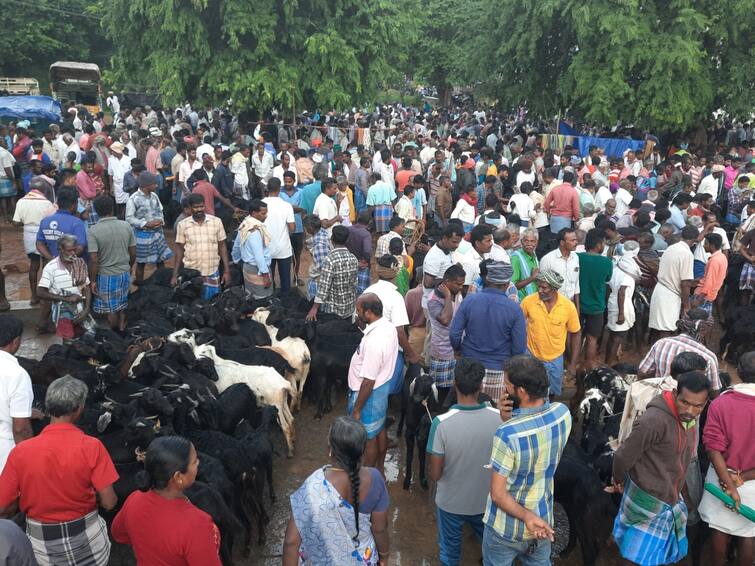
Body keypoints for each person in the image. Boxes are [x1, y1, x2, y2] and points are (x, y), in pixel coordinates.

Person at [0, 375, 118, 566]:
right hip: (90, 545)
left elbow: (3, 507)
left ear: (48, 406)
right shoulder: (92, 446)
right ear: (79, 409)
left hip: (42, 548)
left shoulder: (21, 452)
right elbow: (110, 502)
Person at [611, 371, 711, 566]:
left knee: (652, 553)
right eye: (685, 402)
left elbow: (680, 461)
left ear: (705, 403)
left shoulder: (688, 420)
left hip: (669, 498)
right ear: (674, 394)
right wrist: (618, 480)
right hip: (647, 498)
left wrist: (682, 493)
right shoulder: (653, 421)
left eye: (697, 406)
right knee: (635, 556)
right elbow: (623, 456)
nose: (690, 410)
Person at [482, 355, 572, 566]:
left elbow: (498, 494)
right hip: (542, 521)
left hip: (505, 529)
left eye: (507, 385)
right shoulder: (562, 414)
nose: (505, 390)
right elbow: (536, 436)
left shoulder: (507, 434)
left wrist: (526, 517)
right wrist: (512, 419)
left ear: (520, 391)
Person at [283, 416, 390, 566]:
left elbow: (291, 542)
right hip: (364, 558)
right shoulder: (376, 479)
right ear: (362, 450)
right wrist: (384, 557)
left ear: (330, 449)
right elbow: (380, 529)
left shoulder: (313, 486)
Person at [427, 357, 502, 566]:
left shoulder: (440, 424)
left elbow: (435, 475)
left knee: (450, 555)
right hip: (487, 502)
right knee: (492, 553)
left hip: (451, 503)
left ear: (455, 383)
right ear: (481, 386)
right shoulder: (499, 419)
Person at [112, 436, 222, 565]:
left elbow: (118, 533)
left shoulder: (135, 498)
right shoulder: (197, 524)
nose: (198, 463)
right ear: (178, 477)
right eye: (194, 461)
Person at [698, 352, 755, 566]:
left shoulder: (721, 403)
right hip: (751, 484)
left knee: (720, 529)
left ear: (738, 371)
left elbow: (713, 449)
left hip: (721, 479)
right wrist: (742, 479)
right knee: (749, 533)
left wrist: (729, 483)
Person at [449, 261, 527, 400]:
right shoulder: (514, 309)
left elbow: (455, 334)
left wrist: (458, 349)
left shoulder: (469, 301)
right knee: (495, 417)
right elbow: (519, 348)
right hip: (498, 370)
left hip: (468, 369)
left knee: (467, 412)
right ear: (507, 284)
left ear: (488, 279)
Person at [347, 294, 399, 474]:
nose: (356, 313)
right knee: (379, 430)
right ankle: (379, 469)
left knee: (368, 438)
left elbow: (368, 381)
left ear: (368, 313)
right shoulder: (388, 327)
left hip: (369, 394)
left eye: (358, 310)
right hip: (382, 389)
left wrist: (357, 409)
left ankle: (367, 478)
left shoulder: (374, 342)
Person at [520, 271, 581, 397]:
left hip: (555, 359)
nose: (540, 290)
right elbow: (517, 326)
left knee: (552, 394)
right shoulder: (528, 302)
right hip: (531, 356)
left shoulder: (568, 306)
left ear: (554, 288)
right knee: (530, 392)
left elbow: (576, 334)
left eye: (544, 287)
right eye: (539, 286)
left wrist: (572, 364)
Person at [638, 308, 722, 393]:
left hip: (660, 398)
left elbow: (642, 373)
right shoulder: (709, 357)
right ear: (704, 330)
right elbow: (714, 392)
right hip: (690, 404)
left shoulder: (661, 343)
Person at [88, 195, 136, 332]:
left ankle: (115, 333)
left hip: (106, 276)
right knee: (123, 304)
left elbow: (93, 259)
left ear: (96, 211)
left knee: (111, 309)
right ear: (113, 208)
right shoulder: (126, 226)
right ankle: (122, 330)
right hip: (124, 273)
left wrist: (92, 281)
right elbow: (133, 253)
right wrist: (129, 267)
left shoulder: (93, 230)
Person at [172, 194, 231, 299]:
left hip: (211, 270)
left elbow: (222, 247)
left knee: (212, 304)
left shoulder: (216, 222)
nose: (199, 209)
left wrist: (226, 271)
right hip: (191, 273)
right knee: (192, 306)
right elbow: (179, 250)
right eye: (196, 207)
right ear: (190, 208)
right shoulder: (183, 225)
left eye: (201, 206)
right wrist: (175, 274)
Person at [37, 234, 91, 341]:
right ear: (60, 249)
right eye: (69, 250)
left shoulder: (79, 263)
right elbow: (40, 292)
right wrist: (66, 298)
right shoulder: (51, 267)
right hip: (62, 311)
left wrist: (86, 309)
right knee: (68, 341)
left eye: (74, 250)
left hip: (80, 309)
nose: (72, 253)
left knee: (82, 340)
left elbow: (86, 287)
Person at [648, 225, 698, 337]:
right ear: (695, 239)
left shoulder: (671, 248)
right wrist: (686, 306)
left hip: (660, 290)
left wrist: (692, 281)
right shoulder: (687, 253)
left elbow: (674, 273)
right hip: (669, 295)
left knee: (660, 329)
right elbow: (684, 283)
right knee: (667, 330)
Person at [12, 177, 55, 304]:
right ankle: (46, 295)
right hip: (43, 235)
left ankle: (34, 296)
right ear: (43, 189)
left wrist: (27, 222)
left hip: (28, 236)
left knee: (33, 265)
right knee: (46, 265)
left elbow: (15, 222)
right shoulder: (46, 203)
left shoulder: (21, 201)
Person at [427, 264, 466, 399]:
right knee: (440, 393)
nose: (461, 287)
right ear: (447, 282)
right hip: (441, 353)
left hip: (456, 352)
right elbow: (445, 320)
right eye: (458, 284)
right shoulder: (433, 300)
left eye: (462, 284)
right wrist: (448, 297)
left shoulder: (457, 293)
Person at [0, 315, 33, 473]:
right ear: (16, 341)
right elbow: (20, 429)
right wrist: (30, 461)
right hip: (4, 449)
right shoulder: (17, 374)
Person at [126, 171, 173, 283]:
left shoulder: (154, 196)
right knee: (141, 263)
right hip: (142, 236)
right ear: (146, 185)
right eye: (154, 184)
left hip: (157, 234)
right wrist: (146, 224)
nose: (157, 185)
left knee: (161, 261)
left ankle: (162, 284)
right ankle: (140, 286)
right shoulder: (133, 199)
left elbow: (160, 211)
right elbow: (129, 219)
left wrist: (160, 220)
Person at [577, 229, 613, 369]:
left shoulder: (577, 258)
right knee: (592, 338)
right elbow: (607, 279)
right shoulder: (606, 262)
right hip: (596, 306)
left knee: (576, 335)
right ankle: (588, 365)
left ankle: (572, 364)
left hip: (578, 304)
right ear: (598, 245)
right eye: (603, 242)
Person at [306, 225, 358, 321]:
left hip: (333, 311)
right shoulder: (353, 258)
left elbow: (323, 287)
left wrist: (314, 308)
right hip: (349, 309)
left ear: (332, 239)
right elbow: (354, 284)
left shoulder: (329, 260)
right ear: (347, 241)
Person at [605, 241, 641, 366]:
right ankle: (609, 364)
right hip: (622, 305)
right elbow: (622, 292)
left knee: (613, 335)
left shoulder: (616, 268)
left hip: (613, 302)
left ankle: (607, 361)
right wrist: (621, 313)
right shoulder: (627, 273)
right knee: (618, 337)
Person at [232, 199, 273, 299]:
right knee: (262, 298)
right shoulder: (255, 230)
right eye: (263, 213)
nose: (266, 216)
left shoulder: (245, 224)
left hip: (248, 268)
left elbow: (236, 246)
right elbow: (259, 255)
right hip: (258, 270)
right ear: (254, 213)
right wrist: (265, 275)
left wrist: (236, 260)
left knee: (250, 295)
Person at [263, 177, 295, 291]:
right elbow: (292, 228)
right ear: (279, 189)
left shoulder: (261, 205)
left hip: (266, 248)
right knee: (285, 281)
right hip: (283, 249)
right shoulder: (286, 205)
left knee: (267, 280)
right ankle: (285, 303)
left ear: (267, 188)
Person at [539, 228, 580, 308]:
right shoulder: (547, 259)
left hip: (570, 304)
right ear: (562, 242)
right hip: (553, 305)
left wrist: (577, 308)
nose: (576, 243)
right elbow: (541, 287)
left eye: (576, 240)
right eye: (572, 240)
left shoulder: (575, 258)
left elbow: (576, 284)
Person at [279, 171, 306, 285]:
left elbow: (302, 209)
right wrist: (293, 208)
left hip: (298, 227)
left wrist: (287, 208)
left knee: (297, 254)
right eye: (285, 181)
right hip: (283, 228)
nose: (287, 183)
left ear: (294, 181)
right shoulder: (279, 193)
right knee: (282, 255)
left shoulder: (300, 192)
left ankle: (296, 277)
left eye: (289, 181)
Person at [690, 233, 727, 315]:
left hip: (702, 296)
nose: (703, 245)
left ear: (712, 245)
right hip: (710, 295)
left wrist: (698, 300)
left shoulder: (714, 261)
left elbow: (709, 282)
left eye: (706, 243)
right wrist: (701, 279)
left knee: (693, 322)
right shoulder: (722, 257)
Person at [303, 214, 332, 300]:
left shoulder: (319, 246)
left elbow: (323, 268)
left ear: (310, 228)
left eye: (306, 228)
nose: (305, 230)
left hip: (319, 281)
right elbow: (312, 240)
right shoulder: (322, 232)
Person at [510, 228, 539, 301]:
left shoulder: (534, 256)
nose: (529, 244)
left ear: (536, 242)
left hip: (534, 300)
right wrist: (532, 278)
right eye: (526, 241)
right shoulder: (516, 258)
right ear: (521, 242)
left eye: (532, 241)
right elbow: (512, 286)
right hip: (521, 301)